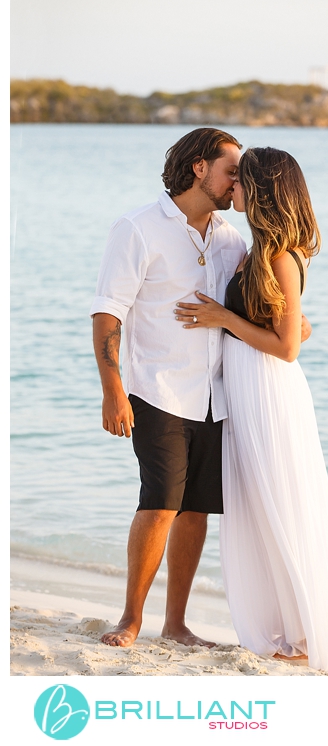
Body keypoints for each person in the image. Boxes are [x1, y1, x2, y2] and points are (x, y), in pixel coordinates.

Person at [173, 147, 328, 674]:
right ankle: (287, 629)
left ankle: (310, 632)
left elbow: (288, 347)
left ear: (262, 190)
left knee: (286, 506)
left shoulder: (282, 257)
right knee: (259, 509)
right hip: (245, 391)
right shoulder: (255, 251)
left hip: (271, 393)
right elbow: (289, 326)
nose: (233, 188)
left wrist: (223, 318)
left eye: (241, 181)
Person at [91, 128, 249, 647]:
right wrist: (113, 390)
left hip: (216, 398)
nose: (237, 183)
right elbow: (108, 312)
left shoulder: (230, 239)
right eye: (231, 171)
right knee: (160, 503)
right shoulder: (137, 228)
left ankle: (176, 624)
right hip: (157, 391)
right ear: (200, 167)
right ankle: (130, 619)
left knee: (196, 509)